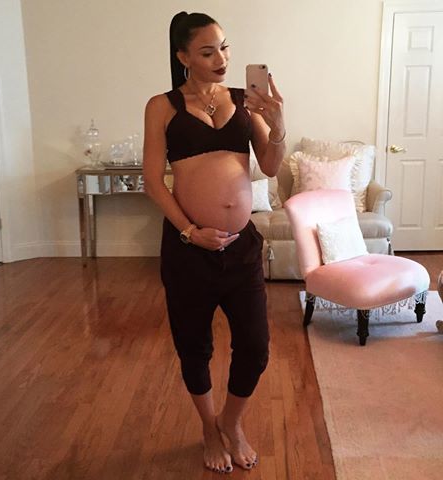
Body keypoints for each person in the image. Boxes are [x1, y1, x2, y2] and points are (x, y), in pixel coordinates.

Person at [143, 11, 286, 474]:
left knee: (255, 347)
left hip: (241, 248)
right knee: (194, 346)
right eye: (207, 52)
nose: (221, 58)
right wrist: (190, 231)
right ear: (184, 57)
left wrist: (278, 125)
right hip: (188, 249)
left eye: (224, 47)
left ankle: (231, 422)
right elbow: (152, 181)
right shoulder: (162, 106)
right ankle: (209, 428)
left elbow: (270, 165)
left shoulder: (244, 100)